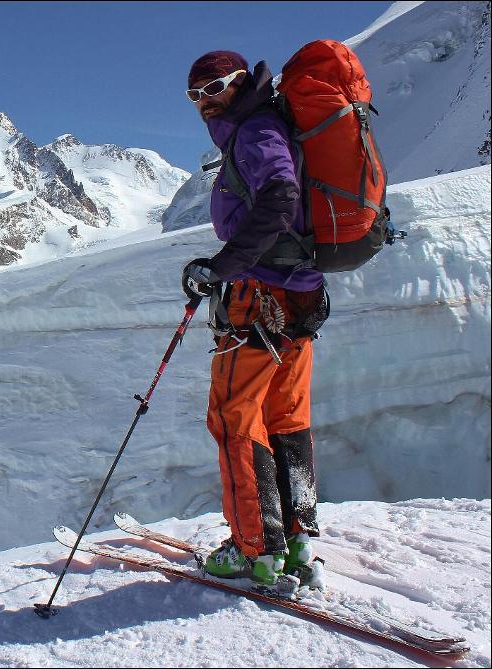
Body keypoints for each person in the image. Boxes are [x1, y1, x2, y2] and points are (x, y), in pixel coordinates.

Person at [180, 50, 328, 589]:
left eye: (214, 87)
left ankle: (253, 551)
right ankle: (294, 539)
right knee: (285, 417)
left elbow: (281, 196)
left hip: (259, 299)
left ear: (241, 82)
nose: (203, 101)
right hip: (300, 298)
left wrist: (225, 266)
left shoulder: (256, 130)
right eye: (194, 93)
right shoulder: (269, 124)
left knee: (234, 417)